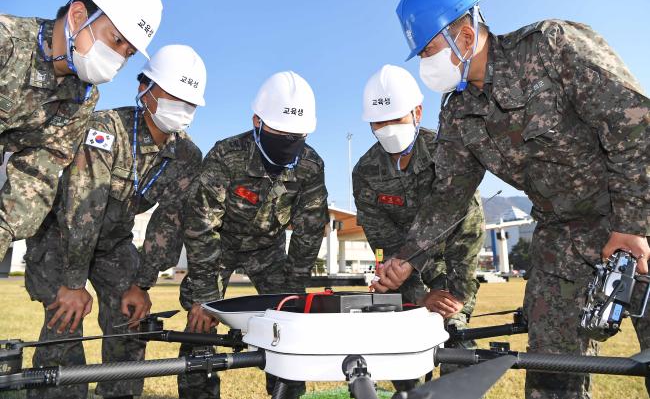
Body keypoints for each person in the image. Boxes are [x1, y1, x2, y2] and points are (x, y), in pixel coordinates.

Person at [373, 0, 650, 399]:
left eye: (428, 51)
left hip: (636, 214)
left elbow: (634, 124)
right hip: (563, 236)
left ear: (465, 37)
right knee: (551, 371)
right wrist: (408, 257)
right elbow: (448, 196)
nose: (426, 64)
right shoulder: (459, 111)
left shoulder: (551, 47)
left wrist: (633, 224)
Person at [24, 44, 205, 399]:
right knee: (65, 321)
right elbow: (81, 209)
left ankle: (119, 393)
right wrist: (75, 284)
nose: (182, 108)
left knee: (131, 318)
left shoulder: (186, 155)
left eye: (190, 102)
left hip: (113, 244)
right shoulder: (105, 130)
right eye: (174, 95)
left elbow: (168, 224)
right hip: (61, 238)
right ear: (145, 89)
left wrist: (142, 283)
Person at [179, 70, 329, 399]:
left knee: (291, 321)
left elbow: (310, 226)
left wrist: (297, 281)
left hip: (268, 251)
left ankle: (286, 393)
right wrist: (205, 296)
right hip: (219, 247)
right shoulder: (226, 155)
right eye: (280, 132)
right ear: (257, 121)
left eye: (297, 134)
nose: (289, 140)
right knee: (200, 326)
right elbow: (202, 224)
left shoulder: (310, 166)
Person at [0, 0, 163, 261]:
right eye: (116, 41)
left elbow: (39, 171)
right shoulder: (6, 43)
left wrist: (3, 231)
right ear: (78, 17)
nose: (119, 58)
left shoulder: (83, 96)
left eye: (129, 53)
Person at [354, 64, 484, 390]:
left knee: (458, 343)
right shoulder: (366, 172)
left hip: (451, 266)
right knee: (403, 355)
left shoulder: (448, 155)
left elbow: (468, 232)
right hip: (403, 273)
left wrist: (452, 296)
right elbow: (384, 244)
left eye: (395, 118)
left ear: (417, 112)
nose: (386, 128)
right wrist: (417, 300)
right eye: (378, 122)